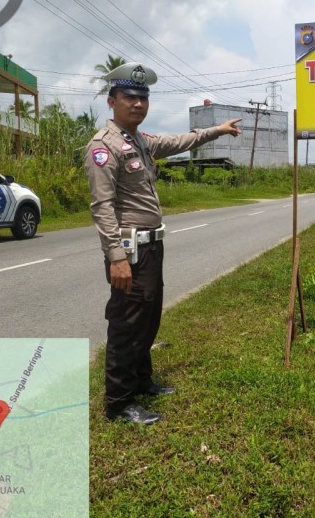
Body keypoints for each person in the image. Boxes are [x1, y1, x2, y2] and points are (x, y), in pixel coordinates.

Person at [85, 62, 241, 425]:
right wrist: (116, 257)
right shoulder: (103, 147)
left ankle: (141, 381)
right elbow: (102, 206)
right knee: (127, 323)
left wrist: (217, 129)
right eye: (129, 97)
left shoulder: (139, 141)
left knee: (148, 319)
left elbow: (180, 141)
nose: (137, 103)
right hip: (129, 250)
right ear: (112, 101)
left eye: (143, 97)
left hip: (151, 246)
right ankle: (119, 403)